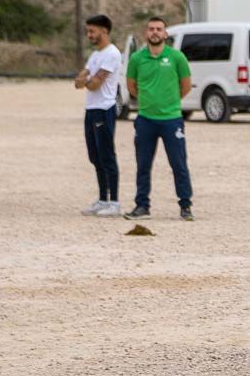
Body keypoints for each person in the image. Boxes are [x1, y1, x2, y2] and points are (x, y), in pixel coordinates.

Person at [124, 16, 194, 221]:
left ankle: (185, 206)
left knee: (178, 163)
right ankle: (142, 206)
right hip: (145, 119)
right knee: (143, 164)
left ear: (165, 34)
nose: (155, 32)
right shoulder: (137, 59)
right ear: (146, 33)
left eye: (159, 29)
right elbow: (131, 86)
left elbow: (186, 85)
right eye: (151, 29)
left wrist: (170, 102)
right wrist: (149, 101)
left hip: (171, 119)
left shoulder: (177, 57)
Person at [75, 14, 122, 217]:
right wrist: (87, 79)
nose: (89, 35)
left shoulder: (111, 54)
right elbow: (80, 79)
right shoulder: (95, 55)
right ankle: (103, 199)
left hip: (104, 109)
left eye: (92, 31)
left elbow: (94, 83)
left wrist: (87, 80)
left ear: (104, 31)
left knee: (107, 156)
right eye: (88, 31)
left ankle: (115, 202)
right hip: (91, 109)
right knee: (95, 157)